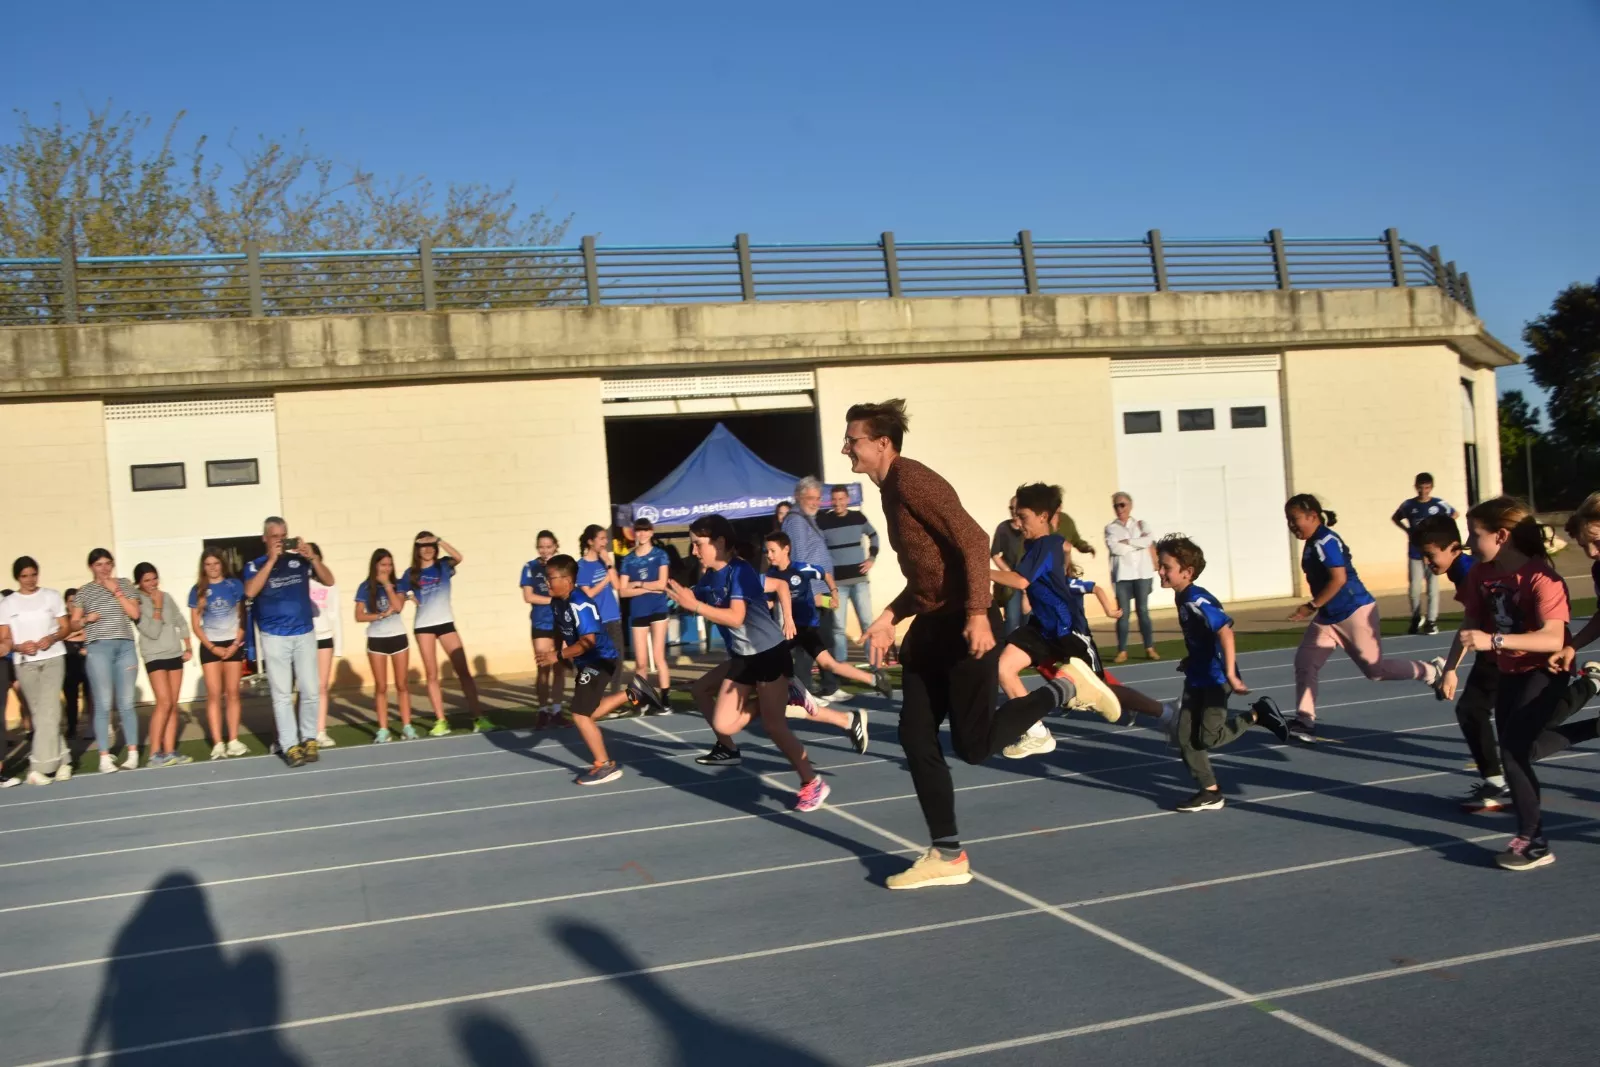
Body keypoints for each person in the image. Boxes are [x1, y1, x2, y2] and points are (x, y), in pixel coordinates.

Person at [842, 400, 1119, 890]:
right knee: (914, 735)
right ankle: (947, 855)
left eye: (854, 440)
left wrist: (976, 612)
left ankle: (1064, 687)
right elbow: (932, 575)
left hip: (963, 624)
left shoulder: (913, 480)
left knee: (973, 746)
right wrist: (889, 616)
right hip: (931, 624)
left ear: (882, 443)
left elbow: (971, 541)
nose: (847, 448)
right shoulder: (890, 491)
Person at [1448, 497, 1590, 871]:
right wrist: (1450, 668)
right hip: (1509, 672)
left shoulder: (1543, 579)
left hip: (1546, 673)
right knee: (1522, 752)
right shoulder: (1481, 574)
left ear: (1501, 536)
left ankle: (1534, 842)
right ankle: (1593, 726)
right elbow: (1470, 625)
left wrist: (1494, 641)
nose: (1467, 542)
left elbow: (1551, 639)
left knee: (1512, 751)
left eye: (1473, 534)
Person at [666, 513, 831, 811]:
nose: (693, 551)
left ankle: (812, 782)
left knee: (774, 727)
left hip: (768, 653)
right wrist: (662, 591)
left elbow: (736, 617)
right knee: (723, 723)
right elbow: (694, 595)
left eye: (697, 544)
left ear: (719, 542)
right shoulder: (710, 576)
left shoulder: (739, 571)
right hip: (744, 657)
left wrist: (697, 606)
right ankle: (787, 696)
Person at [995, 483, 1150, 759]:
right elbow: (1032, 581)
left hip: (1067, 631)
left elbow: (1020, 580)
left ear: (1043, 516)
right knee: (1004, 667)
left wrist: (982, 572)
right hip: (1041, 628)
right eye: (1016, 516)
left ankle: (1165, 714)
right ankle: (1037, 734)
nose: (1018, 523)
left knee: (1106, 691)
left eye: (1024, 517)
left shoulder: (1047, 543)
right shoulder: (1032, 544)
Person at [1286, 493, 1436, 743]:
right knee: (1305, 662)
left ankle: (1430, 671)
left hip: (1354, 611)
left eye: (1295, 519)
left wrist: (1311, 606)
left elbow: (1339, 579)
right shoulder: (1313, 542)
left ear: (1313, 516)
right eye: (1288, 520)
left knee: (1375, 671)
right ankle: (1305, 720)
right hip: (1329, 618)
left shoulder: (1326, 542)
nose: (1291, 526)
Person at [1155, 535, 1291, 811]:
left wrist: (1231, 674)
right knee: (1184, 738)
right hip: (1197, 676)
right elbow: (1202, 637)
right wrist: (1190, 658)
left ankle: (1257, 714)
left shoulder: (1196, 599)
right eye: (1160, 565)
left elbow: (1225, 632)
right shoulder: (1182, 597)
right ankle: (1210, 791)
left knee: (1207, 738)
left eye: (1166, 567)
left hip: (1217, 679)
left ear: (1187, 572)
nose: (1160, 571)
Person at [762, 530, 888, 752]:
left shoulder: (802, 569)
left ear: (786, 549)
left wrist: (834, 592)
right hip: (788, 631)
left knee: (828, 664)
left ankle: (873, 679)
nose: (769, 555)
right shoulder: (771, 575)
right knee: (776, 667)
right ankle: (804, 699)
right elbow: (771, 601)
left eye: (772, 550)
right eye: (767, 551)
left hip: (807, 628)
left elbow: (826, 573)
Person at [243, 516, 335, 768]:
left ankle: (309, 738)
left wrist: (312, 557)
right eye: (275, 537)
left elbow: (329, 580)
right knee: (282, 695)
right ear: (265, 538)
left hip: (304, 632)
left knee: (311, 690)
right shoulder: (255, 565)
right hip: (274, 636)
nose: (280, 541)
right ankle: (290, 744)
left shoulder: (299, 561)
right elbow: (250, 592)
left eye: (284, 536)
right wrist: (272, 560)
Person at [540, 553, 635, 786]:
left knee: (581, 715)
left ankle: (605, 766)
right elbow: (560, 628)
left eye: (550, 578)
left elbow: (588, 642)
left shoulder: (579, 603)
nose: (546, 582)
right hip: (586, 661)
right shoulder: (557, 601)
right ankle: (633, 693)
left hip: (600, 659)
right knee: (587, 713)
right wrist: (558, 653)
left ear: (567, 580)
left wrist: (558, 655)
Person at [399, 532, 490, 734]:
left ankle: (478, 717)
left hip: (446, 623)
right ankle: (441, 721)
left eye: (431, 545)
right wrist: (409, 597)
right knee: (432, 674)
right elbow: (400, 588)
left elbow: (458, 557)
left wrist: (438, 539)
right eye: (423, 546)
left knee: (463, 671)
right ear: (417, 549)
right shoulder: (410, 573)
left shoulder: (443, 565)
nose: (428, 549)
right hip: (424, 626)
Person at [0, 557, 72, 786]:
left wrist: (51, 638)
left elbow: (65, 627)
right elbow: (5, 638)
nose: (30, 580)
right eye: (24, 576)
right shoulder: (8, 603)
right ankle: (63, 761)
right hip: (25, 662)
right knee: (41, 714)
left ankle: (37, 767)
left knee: (49, 710)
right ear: (17, 578)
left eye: (33, 574)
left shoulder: (51, 596)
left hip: (53, 658)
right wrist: (20, 646)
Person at [72, 548, 143, 774]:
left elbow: (135, 614)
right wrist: (85, 619)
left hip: (125, 646)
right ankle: (104, 756)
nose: (104, 568)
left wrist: (117, 592)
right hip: (98, 648)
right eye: (99, 564)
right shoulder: (84, 592)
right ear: (91, 567)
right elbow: (73, 623)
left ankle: (132, 753)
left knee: (126, 702)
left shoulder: (124, 584)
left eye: (107, 563)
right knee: (103, 703)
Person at [781, 477, 840, 697]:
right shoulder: (796, 521)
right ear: (798, 496)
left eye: (818, 498)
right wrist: (811, 594)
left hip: (820, 590)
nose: (816, 502)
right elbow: (798, 559)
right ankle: (804, 690)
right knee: (808, 644)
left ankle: (829, 685)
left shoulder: (807, 519)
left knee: (825, 639)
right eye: (811, 498)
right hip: (811, 592)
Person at [189, 550, 250, 761]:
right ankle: (218, 743)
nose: (213, 567)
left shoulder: (235, 586)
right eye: (208, 564)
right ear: (203, 567)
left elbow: (244, 618)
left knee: (233, 692)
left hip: (232, 644)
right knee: (214, 694)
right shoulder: (198, 590)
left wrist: (235, 644)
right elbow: (196, 626)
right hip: (210, 646)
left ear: (222, 565)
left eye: (216, 563)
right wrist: (213, 648)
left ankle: (233, 740)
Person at [132, 562, 194, 768]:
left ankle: (169, 751)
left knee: (173, 703)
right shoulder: (136, 601)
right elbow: (152, 631)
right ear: (139, 582)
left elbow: (180, 620)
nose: (152, 583)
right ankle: (154, 753)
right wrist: (157, 607)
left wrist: (187, 645)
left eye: (154, 578)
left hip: (174, 653)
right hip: (154, 655)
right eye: (147, 580)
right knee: (164, 702)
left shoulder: (166, 596)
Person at [355, 548, 418, 742]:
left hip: (398, 637)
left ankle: (407, 726)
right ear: (375, 565)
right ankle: (383, 729)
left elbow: (398, 608)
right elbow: (359, 616)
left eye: (389, 564)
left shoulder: (399, 584)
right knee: (381, 686)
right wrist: (379, 616)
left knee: (402, 684)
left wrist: (387, 585)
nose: (386, 568)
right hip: (376, 639)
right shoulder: (365, 587)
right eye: (383, 564)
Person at [817, 484, 880, 674]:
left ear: (847, 499)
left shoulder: (858, 517)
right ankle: (841, 667)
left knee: (867, 623)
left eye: (841, 499)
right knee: (838, 627)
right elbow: (818, 549)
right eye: (834, 499)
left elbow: (874, 536)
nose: (838, 503)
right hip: (836, 585)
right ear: (830, 500)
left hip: (859, 581)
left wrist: (871, 558)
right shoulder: (823, 521)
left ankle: (875, 666)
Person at [1391, 473, 1459, 635]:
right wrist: (1407, 530)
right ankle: (1416, 617)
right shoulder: (1408, 505)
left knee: (1432, 588)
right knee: (1414, 588)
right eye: (1421, 488)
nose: (1424, 491)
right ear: (1416, 487)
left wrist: (1442, 531)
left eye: (1427, 488)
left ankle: (1431, 621)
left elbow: (1454, 514)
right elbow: (1396, 518)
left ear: (1431, 488)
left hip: (1433, 553)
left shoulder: (1438, 504)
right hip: (1415, 552)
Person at [617, 518, 673, 711]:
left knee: (658, 657)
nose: (641, 534)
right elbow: (622, 591)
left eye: (645, 531)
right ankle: (638, 700)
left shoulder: (660, 555)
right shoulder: (628, 559)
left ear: (651, 532)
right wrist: (647, 587)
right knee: (640, 663)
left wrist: (638, 584)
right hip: (638, 611)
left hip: (658, 609)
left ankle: (665, 699)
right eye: (638, 531)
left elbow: (662, 585)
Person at [1104, 491, 1159, 663]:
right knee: (1123, 613)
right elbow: (1115, 549)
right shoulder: (1111, 528)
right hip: (1123, 575)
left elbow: (1148, 541)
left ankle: (1149, 647)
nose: (1119, 509)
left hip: (1142, 573)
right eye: (1116, 505)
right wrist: (1136, 543)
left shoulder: (1142, 525)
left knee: (1143, 610)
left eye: (1122, 505)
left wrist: (1127, 542)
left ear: (1130, 505)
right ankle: (1122, 650)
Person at [520, 530, 565, 723]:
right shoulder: (530, 567)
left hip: (562, 622)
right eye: (541, 547)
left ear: (555, 546)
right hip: (541, 622)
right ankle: (542, 710)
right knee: (543, 667)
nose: (545, 551)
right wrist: (553, 600)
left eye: (548, 547)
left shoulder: (564, 566)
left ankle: (557, 710)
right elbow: (529, 596)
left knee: (560, 668)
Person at [577, 524, 625, 695]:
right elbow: (588, 594)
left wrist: (609, 563)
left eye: (606, 538)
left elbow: (618, 585)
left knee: (618, 659)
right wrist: (605, 580)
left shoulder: (605, 562)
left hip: (612, 616)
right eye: (602, 538)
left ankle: (613, 695)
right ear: (591, 541)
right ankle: (593, 695)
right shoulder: (582, 566)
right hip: (596, 621)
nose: (605, 542)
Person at [308, 545, 343, 747]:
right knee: (306, 687)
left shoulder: (328, 582)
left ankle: (320, 730)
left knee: (321, 686)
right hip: (304, 637)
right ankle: (305, 731)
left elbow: (335, 614)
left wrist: (338, 646)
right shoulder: (299, 580)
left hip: (324, 637)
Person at [989, 498, 1027, 637]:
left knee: (1029, 619)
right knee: (1012, 619)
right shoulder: (1004, 528)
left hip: (1030, 579)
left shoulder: (1029, 529)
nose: (1013, 511)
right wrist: (1008, 573)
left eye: (1015, 508)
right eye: (1010, 508)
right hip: (1012, 583)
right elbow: (994, 554)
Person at [61, 588, 91, 742]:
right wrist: (76, 633)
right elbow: (61, 636)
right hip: (69, 661)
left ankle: (92, 726)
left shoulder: (86, 618)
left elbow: (89, 634)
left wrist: (73, 634)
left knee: (90, 694)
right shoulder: (63, 620)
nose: (73, 604)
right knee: (71, 698)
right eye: (71, 601)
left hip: (86, 660)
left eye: (76, 601)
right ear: (66, 603)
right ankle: (72, 727)